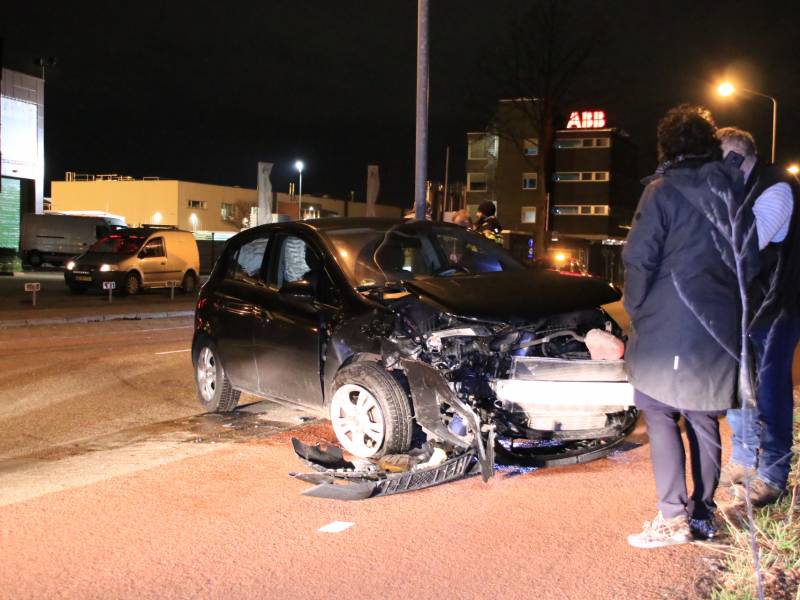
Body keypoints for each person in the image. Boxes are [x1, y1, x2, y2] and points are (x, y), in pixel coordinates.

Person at [622, 105, 758, 548]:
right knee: (704, 418)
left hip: (668, 322)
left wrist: (637, 311)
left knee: (659, 411)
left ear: (667, 146)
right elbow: (751, 260)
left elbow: (639, 259)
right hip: (720, 326)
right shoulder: (734, 190)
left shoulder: (662, 191)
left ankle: (673, 516)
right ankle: (703, 515)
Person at [717, 127, 800, 507]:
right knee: (740, 382)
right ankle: (745, 458)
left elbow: (747, 245)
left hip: (780, 305)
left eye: (727, 158)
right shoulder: (741, 186)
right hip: (750, 305)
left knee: (769, 387)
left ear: (742, 154)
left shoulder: (776, 186)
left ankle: (773, 474)